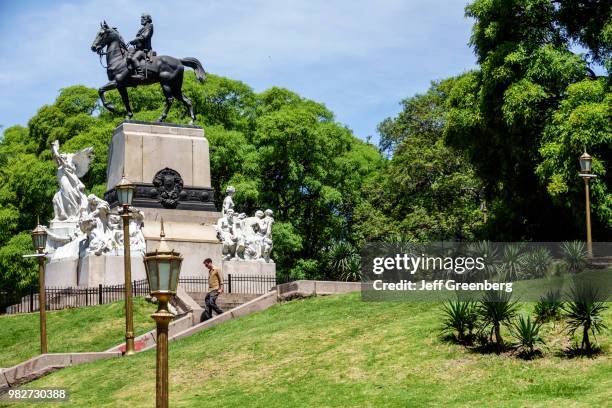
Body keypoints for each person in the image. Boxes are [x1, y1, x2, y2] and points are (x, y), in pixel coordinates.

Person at [127, 13, 154, 79]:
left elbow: (144, 36)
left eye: (143, 18)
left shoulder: (149, 26)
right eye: (141, 18)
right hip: (138, 48)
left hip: (144, 50)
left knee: (134, 58)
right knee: (128, 54)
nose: (141, 20)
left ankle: (141, 74)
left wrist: (134, 40)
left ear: (148, 19)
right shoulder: (143, 28)